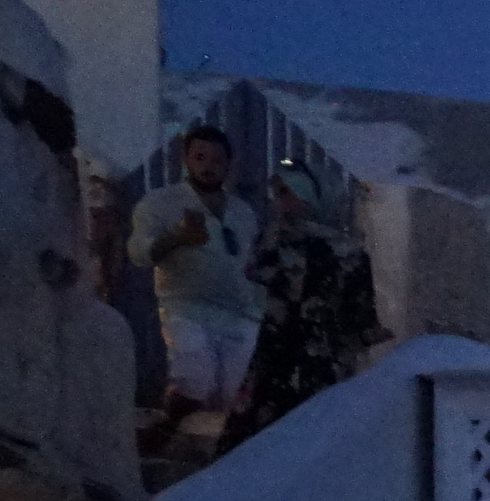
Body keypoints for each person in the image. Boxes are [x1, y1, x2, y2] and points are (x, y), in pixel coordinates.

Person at [128, 122, 263, 444]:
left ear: (229, 165)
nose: (208, 166)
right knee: (194, 376)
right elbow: (140, 253)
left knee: (232, 396)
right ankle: (166, 436)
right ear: (186, 159)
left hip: (240, 315)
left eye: (217, 160)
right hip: (187, 306)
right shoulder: (161, 203)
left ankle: (211, 460)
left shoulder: (243, 213)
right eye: (200, 157)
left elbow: (253, 261)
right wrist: (176, 236)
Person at [232, 163, 379, 446]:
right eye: (279, 193)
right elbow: (255, 275)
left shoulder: (349, 253)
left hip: (321, 365)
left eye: (289, 192)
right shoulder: (275, 243)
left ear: (311, 195)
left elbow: (360, 320)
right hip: (276, 361)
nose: (281, 202)